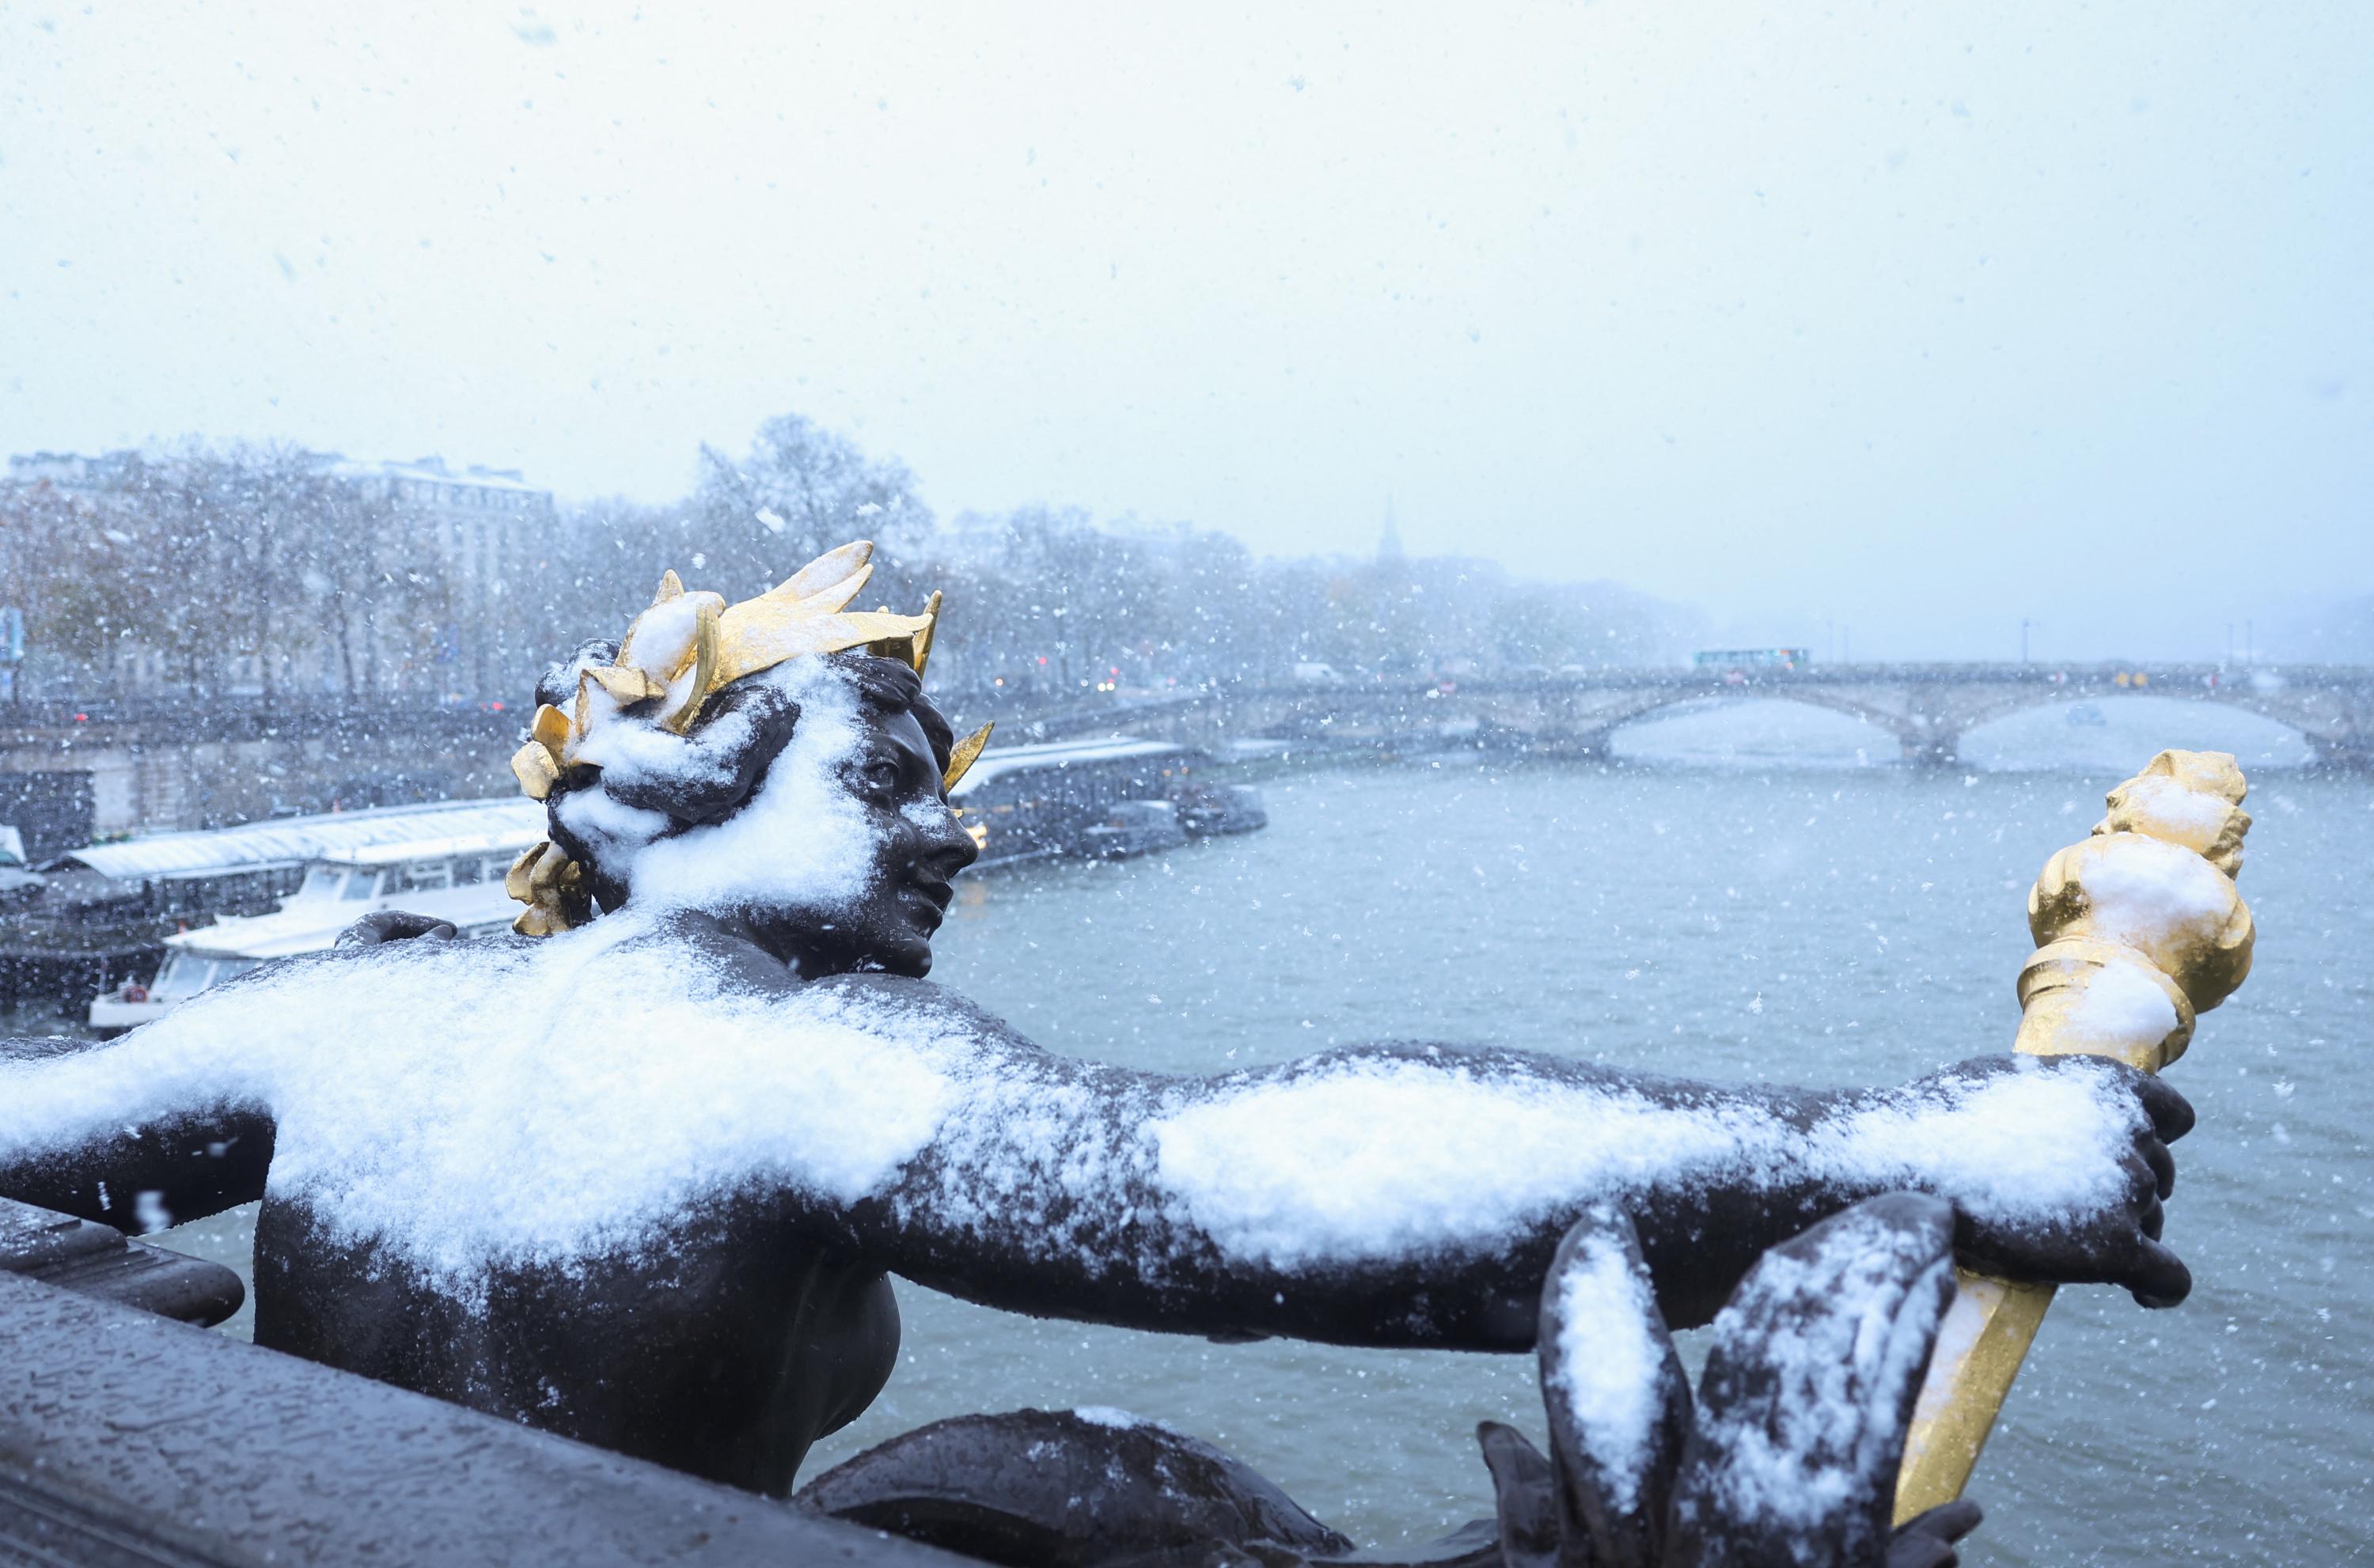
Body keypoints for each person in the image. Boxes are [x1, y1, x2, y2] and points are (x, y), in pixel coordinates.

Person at [0, 544, 2191, 1500]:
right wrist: (1902, 1150)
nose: (953, 836)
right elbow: (1261, 1193)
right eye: (886, 778)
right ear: (661, 802)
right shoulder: (789, 1057)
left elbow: (34, 1121)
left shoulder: (354, 1022)